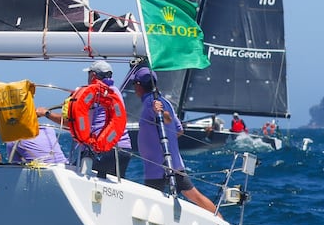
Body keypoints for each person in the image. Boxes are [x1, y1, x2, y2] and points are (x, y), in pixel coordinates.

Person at [129, 66, 219, 215]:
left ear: (139, 85)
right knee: (196, 197)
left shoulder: (151, 103)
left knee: (149, 204)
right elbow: (179, 130)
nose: (134, 88)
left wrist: (162, 115)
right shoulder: (165, 101)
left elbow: (163, 116)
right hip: (174, 164)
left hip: (158, 167)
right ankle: (221, 222)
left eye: (134, 84)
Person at [42, 59, 124, 178]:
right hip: (122, 150)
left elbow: (71, 123)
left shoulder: (93, 94)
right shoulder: (115, 92)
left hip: (100, 150)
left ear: (93, 75)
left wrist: (46, 114)